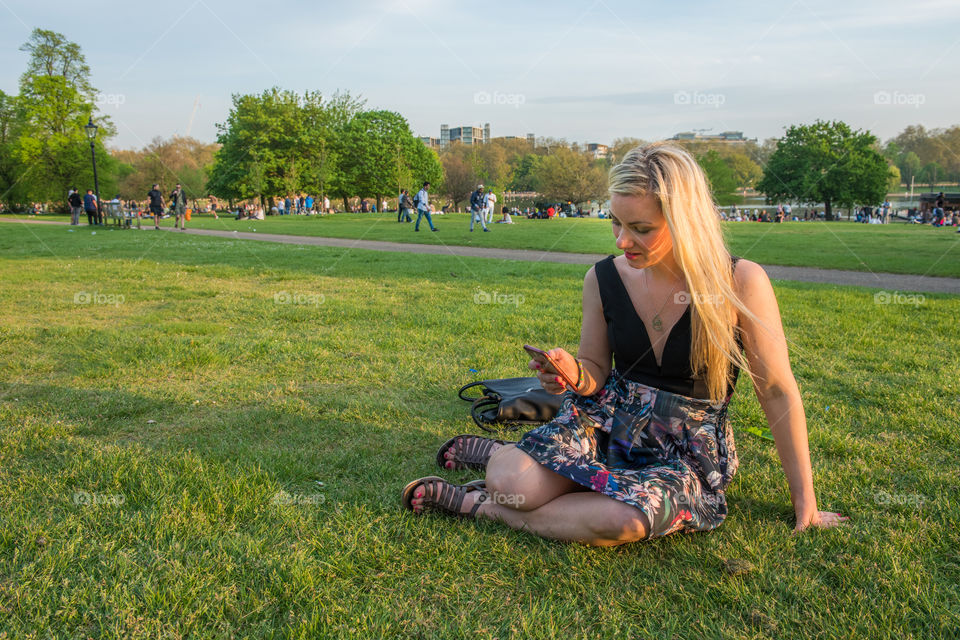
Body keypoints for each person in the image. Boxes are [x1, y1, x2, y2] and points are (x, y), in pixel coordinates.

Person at [402, 143, 848, 545]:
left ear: (685, 221)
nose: (622, 240)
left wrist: (805, 503)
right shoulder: (602, 279)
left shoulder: (740, 282)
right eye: (616, 223)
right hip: (608, 420)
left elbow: (776, 391)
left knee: (627, 520)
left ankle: (480, 506)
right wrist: (571, 373)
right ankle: (499, 462)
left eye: (641, 228)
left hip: (684, 449)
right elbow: (595, 369)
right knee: (508, 480)